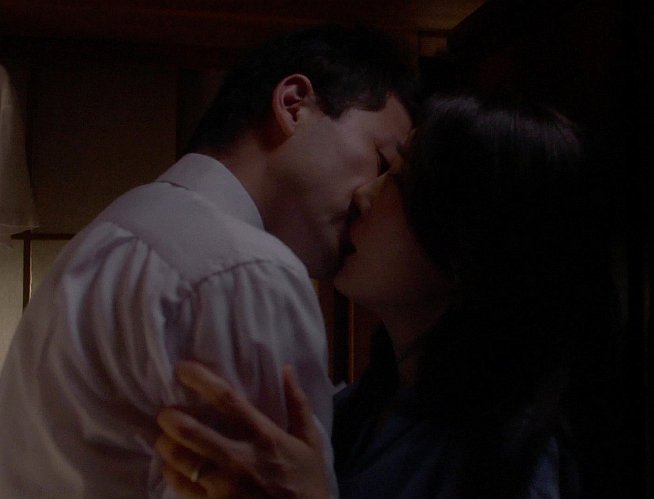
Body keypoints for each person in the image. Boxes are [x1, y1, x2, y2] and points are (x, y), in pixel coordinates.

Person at [0, 24, 417, 498]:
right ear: (294, 104)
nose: (370, 197)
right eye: (380, 161)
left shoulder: (116, 230)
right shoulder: (244, 269)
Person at [154, 95, 614, 498]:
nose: (363, 194)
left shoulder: (513, 459)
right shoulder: (358, 412)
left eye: (400, 179)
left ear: (469, 244)